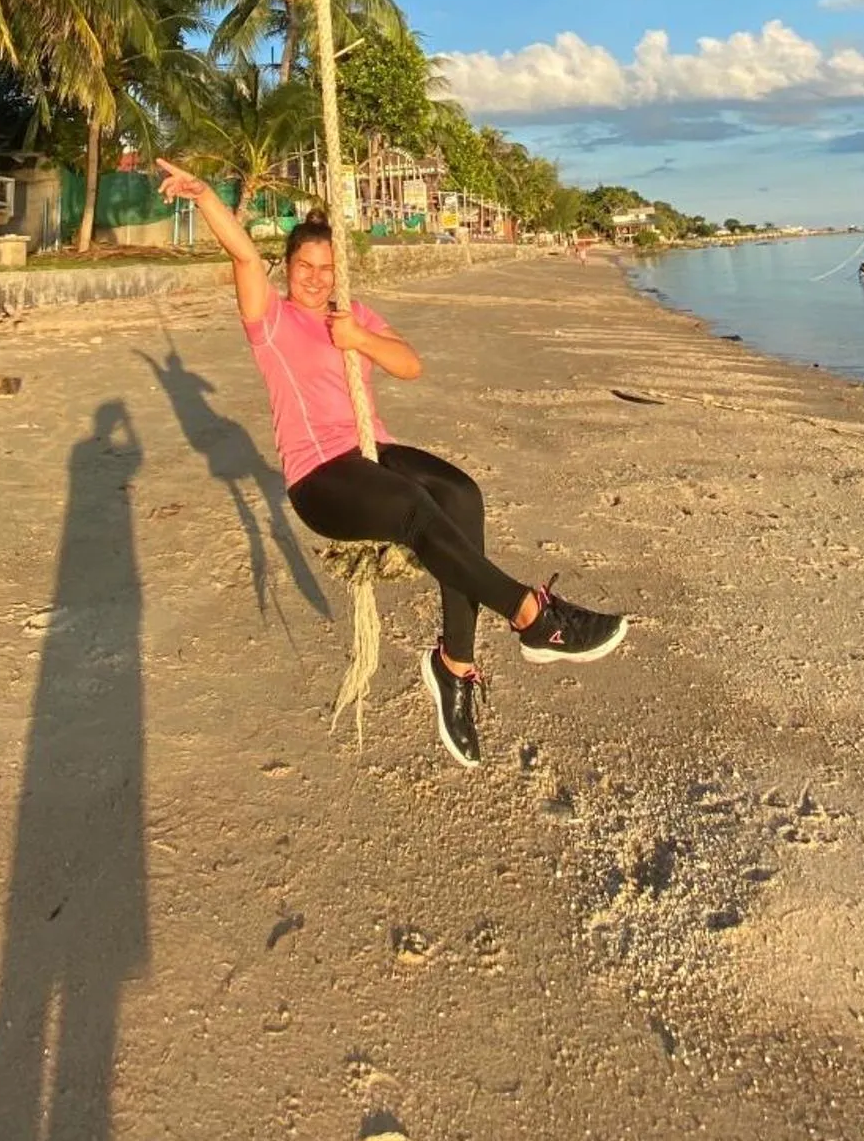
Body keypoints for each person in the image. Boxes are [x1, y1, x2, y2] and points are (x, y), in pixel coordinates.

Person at [155, 158, 627, 768]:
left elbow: (409, 364)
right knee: (413, 510)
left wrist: (356, 338)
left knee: (461, 494)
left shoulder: (350, 314)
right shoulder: (270, 322)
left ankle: (454, 663)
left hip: (371, 451)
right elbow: (244, 257)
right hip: (321, 476)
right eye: (305, 268)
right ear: (288, 269)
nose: (316, 280)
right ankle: (533, 616)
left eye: (327, 269)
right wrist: (202, 197)